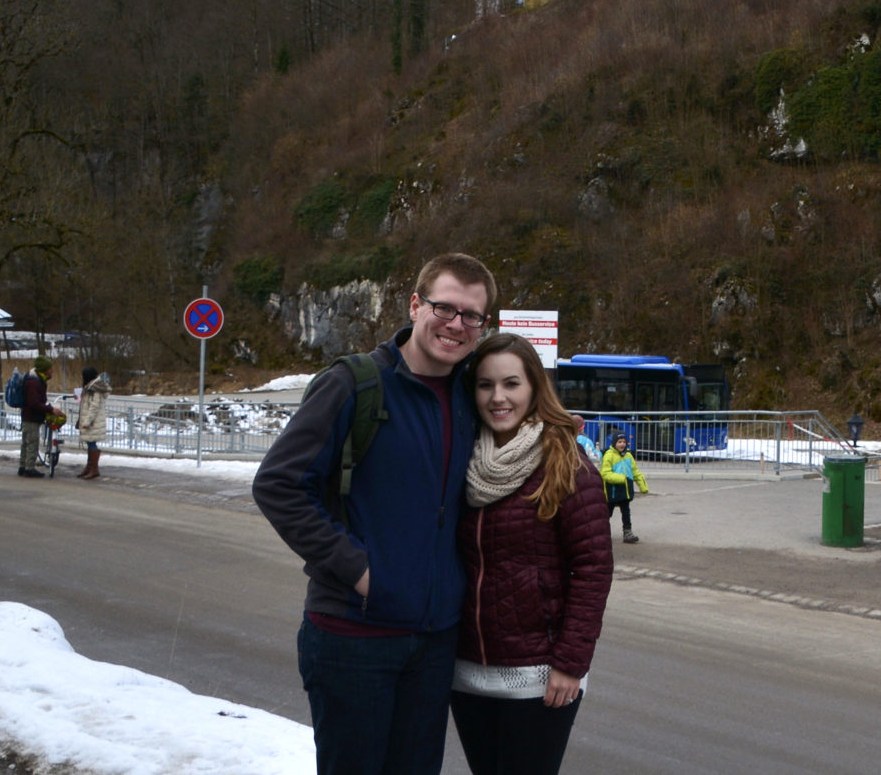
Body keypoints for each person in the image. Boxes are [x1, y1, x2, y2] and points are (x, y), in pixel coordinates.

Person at [252, 253, 493, 775]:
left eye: (471, 315)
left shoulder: (472, 395)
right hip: (352, 637)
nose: (456, 324)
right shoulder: (354, 384)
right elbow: (279, 484)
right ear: (414, 305)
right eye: (444, 307)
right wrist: (359, 571)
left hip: (433, 643)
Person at [452, 332, 612, 775]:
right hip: (466, 672)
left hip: (540, 678)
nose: (498, 397)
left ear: (534, 388)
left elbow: (594, 568)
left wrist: (570, 664)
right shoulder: (462, 460)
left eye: (511, 384)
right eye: (485, 385)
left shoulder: (567, 463)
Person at [600, 432, 647, 545]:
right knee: (607, 513)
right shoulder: (609, 455)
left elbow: (635, 471)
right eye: (619, 442)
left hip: (625, 491)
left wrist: (642, 485)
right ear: (614, 443)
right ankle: (601, 533)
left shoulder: (628, 455)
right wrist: (621, 478)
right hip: (613, 491)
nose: (622, 444)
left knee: (626, 512)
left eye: (624, 442)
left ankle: (627, 533)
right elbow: (605, 473)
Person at [17, 357, 50, 478]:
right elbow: (34, 403)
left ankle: (23, 466)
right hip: (31, 417)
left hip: (28, 416)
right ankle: (29, 468)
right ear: (44, 369)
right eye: (50, 369)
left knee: (26, 442)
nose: (52, 371)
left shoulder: (33, 380)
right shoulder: (34, 382)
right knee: (32, 442)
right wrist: (50, 409)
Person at [75, 366, 110, 480]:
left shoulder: (94, 390)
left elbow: (93, 407)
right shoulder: (92, 388)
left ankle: (93, 469)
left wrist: (86, 421)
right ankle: (90, 467)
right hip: (91, 421)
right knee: (90, 444)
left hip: (92, 422)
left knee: (92, 444)